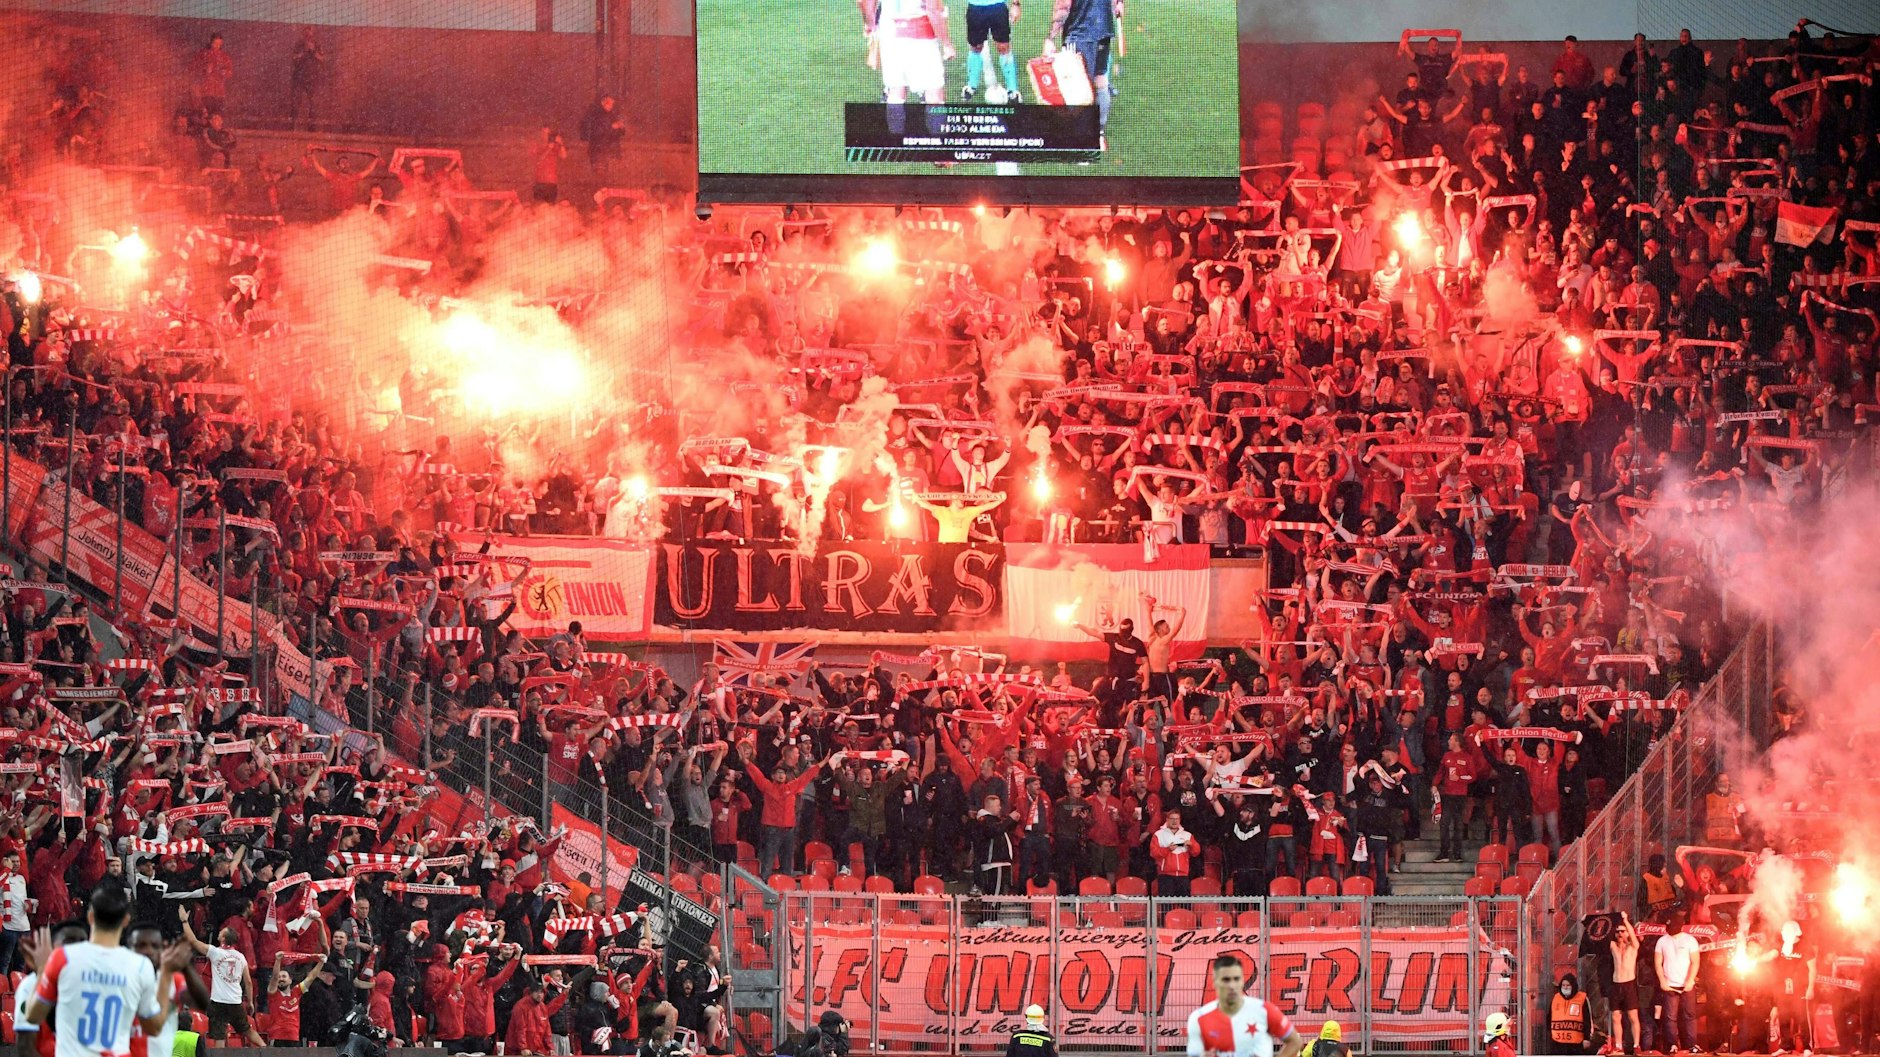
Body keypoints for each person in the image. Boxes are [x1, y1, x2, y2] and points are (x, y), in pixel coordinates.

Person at [25, 886, 188, 1057]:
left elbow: (33, 1016)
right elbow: (153, 1028)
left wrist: (42, 969)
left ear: (90, 917)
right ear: (126, 920)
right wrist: (166, 974)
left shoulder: (63, 957)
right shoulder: (140, 965)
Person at [1186, 953, 1303, 1057]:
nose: (1232, 986)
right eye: (1226, 980)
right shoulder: (1198, 1018)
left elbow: (1295, 1042)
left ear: (1243, 980)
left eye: (1236, 979)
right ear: (1215, 982)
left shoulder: (1264, 1010)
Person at [181, 911, 266, 1046]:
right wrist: (249, 1002)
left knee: (219, 1036)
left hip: (219, 1002)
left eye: (222, 932)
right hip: (235, 1001)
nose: (219, 932)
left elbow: (193, 941)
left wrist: (184, 922)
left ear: (224, 938)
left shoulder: (216, 952)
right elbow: (248, 982)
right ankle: (266, 1050)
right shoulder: (241, 957)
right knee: (247, 1030)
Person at [1652, 914, 1700, 1053]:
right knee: (1669, 1017)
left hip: (1687, 986)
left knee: (1689, 1016)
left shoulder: (1690, 940)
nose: (1669, 928)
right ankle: (1672, 1044)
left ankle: (1692, 1045)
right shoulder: (1662, 941)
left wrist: (1690, 980)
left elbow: (1695, 961)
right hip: (1669, 985)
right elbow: (1657, 962)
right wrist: (1662, 981)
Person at [960, 0, 1022, 102]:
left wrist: (1016, 4)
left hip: (998, 7)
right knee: (976, 47)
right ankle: (971, 85)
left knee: (1003, 47)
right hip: (976, 7)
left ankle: (1012, 90)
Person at [1607, 912, 1641, 1056]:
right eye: (1618, 931)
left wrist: (1626, 920)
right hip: (1616, 984)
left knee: (1633, 1016)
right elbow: (1602, 934)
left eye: (1623, 931)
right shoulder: (1613, 946)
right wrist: (1586, 922)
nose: (1620, 933)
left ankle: (1636, 1045)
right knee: (1616, 1016)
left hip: (1629, 984)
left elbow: (1633, 938)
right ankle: (1619, 1045)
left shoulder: (1632, 947)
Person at [1550, 973, 1589, 1053]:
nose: (1565, 987)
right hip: (1558, 1043)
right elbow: (1549, 1017)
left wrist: (1587, 1038)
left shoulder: (1582, 998)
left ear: (1573, 986)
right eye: (1563, 985)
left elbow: (1587, 1020)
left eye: (1568, 985)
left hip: (1576, 1044)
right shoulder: (1556, 998)